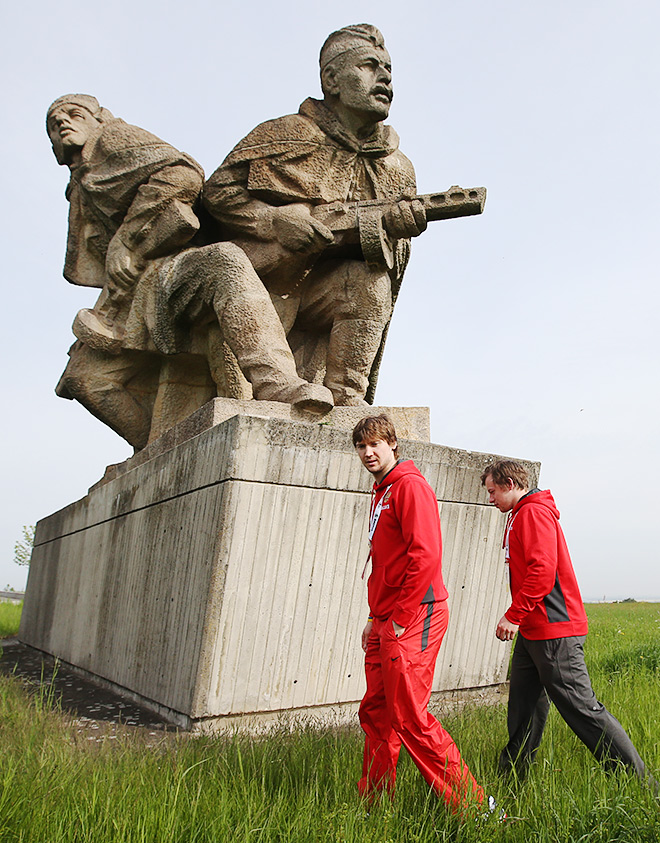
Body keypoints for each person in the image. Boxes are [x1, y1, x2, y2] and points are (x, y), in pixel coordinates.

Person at [48, 94, 333, 449]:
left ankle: (276, 383)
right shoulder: (79, 182)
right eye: (53, 123)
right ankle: (161, 453)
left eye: (73, 114)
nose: (62, 124)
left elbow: (182, 175)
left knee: (225, 261)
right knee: (85, 379)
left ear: (100, 119)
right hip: (133, 287)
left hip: (169, 265)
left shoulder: (111, 139)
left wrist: (129, 236)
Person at [204, 25, 427, 407]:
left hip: (320, 294)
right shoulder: (285, 133)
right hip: (258, 288)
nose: (385, 77)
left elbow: (388, 262)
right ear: (331, 79)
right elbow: (218, 192)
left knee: (370, 281)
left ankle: (347, 400)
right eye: (370, 66)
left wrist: (392, 232)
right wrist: (273, 221)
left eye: (388, 70)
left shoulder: (397, 168)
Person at [481, 460, 658, 791]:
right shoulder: (519, 514)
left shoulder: (533, 512)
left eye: (492, 491)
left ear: (508, 483)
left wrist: (513, 614)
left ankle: (639, 784)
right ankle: (512, 778)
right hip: (534, 632)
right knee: (524, 707)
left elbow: (542, 573)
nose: (490, 498)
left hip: (554, 630)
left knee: (581, 708)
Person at [353, 414, 492, 815]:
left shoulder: (410, 487)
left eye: (375, 444)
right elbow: (386, 564)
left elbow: (425, 556)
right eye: (361, 447)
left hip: (415, 615)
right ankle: (375, 804)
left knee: (409, 716)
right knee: (377, 713)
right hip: (385, 618)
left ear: (393, 444)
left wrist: (397, 619)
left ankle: (477, 808)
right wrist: (373, 618)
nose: (368, 453)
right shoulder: (382, 492)